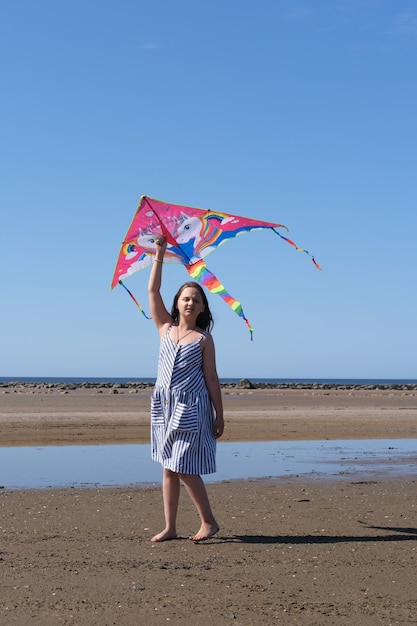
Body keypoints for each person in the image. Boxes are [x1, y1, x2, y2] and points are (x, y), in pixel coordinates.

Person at [148, 236, 224, 542]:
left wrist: (220, 415)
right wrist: (159, 253)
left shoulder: (204, 339)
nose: (190, 302)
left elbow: (212, 378)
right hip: (163, 405)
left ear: (203, 306)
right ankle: (171, 527)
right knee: (168, 467)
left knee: (182, 465)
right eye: (185, 298)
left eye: (196, 298)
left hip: (191, 408)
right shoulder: (165, 328)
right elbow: (153, 290)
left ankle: (208, 521)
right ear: (177, 303)